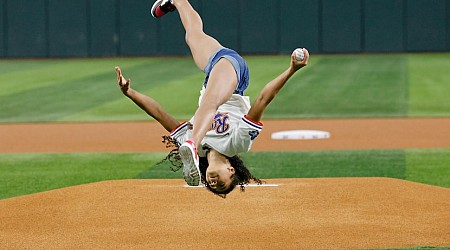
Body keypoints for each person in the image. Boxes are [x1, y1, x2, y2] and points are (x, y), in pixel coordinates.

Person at [115, 0, 309, 197]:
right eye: (223, 184)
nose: (215, 184)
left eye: (212, 186)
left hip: (213, 72)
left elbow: (160, 115)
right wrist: (291, 70)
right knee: (210, 103)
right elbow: (263, 100)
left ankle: (176, 2)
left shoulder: (200, 151)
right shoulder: (236, 144)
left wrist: (130, 93)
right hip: (234, 76)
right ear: (231, 170)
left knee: (192, 36)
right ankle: (190, 145)